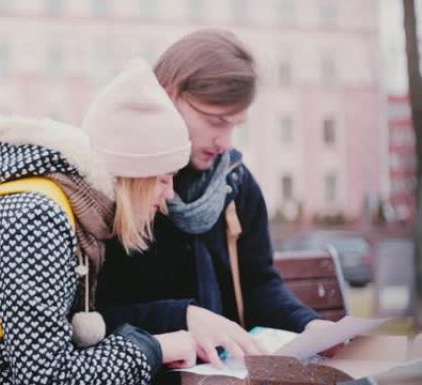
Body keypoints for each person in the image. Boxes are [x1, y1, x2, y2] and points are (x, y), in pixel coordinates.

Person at [0, 59, 198, 384]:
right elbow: (48, 378)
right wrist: (153, 347)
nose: (170, 194)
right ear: (134, 174)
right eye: (163, 178)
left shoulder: (61, 211)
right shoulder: (37, 220)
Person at [96, 29, 334, 369]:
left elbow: (258, 283)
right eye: (215, 121)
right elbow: (90, 317)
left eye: (235, 125)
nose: (225, 141)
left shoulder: (234, 182)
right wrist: (182, 316)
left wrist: (310, 326)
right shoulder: (120, 183)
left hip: (222, 371)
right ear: (169, 93)